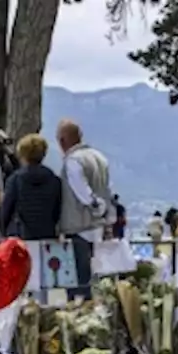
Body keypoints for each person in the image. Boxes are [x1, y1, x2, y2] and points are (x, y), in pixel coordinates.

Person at [56, 119, 114, 300]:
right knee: (94, 280)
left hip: (79, 227)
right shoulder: (99, 157)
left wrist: (96, 206)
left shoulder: (73, 161)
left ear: (63, 141)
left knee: (78, 283)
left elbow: (83, 193)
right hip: (98, 227)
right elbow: (107, 189)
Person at [0, 133, 62, 242]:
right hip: (47, 235)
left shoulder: (15, 179)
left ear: (22, 154)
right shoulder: (54, 180)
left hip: (20, 236)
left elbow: (6, 211)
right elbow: (57, 211)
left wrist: (3, 232)